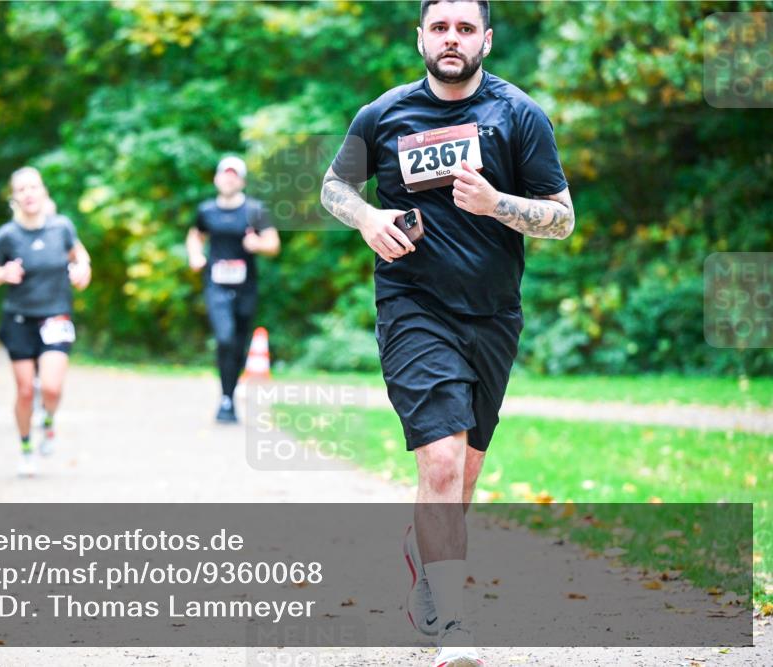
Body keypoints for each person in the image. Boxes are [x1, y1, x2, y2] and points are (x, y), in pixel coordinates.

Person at [321, 1, 574, 665]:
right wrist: (367, 219)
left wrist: (497, 204)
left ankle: (423, 553)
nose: (452, 39)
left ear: (486, 38)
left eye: (465, 28)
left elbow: (563, 218)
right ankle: (454, 625)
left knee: (460, 476)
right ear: (421, 37)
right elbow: (333, 187)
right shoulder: (382, 115)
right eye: (440, 27)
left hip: (492, 314)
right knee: (438, 461)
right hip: (412, 305)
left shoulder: (518, 115)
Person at [0, 167, 91, 476]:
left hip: (56, 315)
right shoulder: (7, 235)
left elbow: (80, 256)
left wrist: (83, 270)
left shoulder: (61, 227)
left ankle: (49, 421)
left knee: (51, 388)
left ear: (43, 192)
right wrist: (2, 274)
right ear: (14, 198)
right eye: (21, 189)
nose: (28, 193)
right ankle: (26, 447)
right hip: (19, 318)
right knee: (26, 390)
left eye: (33, 187)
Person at [186, 156, 280, 423]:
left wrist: (257, 245)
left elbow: (273, 243)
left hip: (246, 287)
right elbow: (195, 235)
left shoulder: (254, 210)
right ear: (217, 179)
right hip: (216, 284)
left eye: (234, 175)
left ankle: (228, 397)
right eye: (224, 174)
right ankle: (226, 396)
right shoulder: (206, 211)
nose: (228, 179)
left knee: (238, 343)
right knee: (224, 338)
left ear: (242, 181)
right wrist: (195, 255)